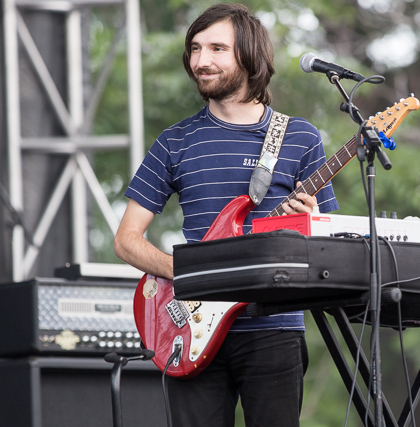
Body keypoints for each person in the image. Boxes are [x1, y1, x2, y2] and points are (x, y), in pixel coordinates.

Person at [114, 3, 339, 426]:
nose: (201, 61)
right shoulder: (174, 141)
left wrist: (310, 219)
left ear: (250, 57)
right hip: (191, 330)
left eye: (217, 48)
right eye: (195, 49)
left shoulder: (300, 137)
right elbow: (126, 239)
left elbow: (333, 243)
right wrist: (189, 275)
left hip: (274, 328)